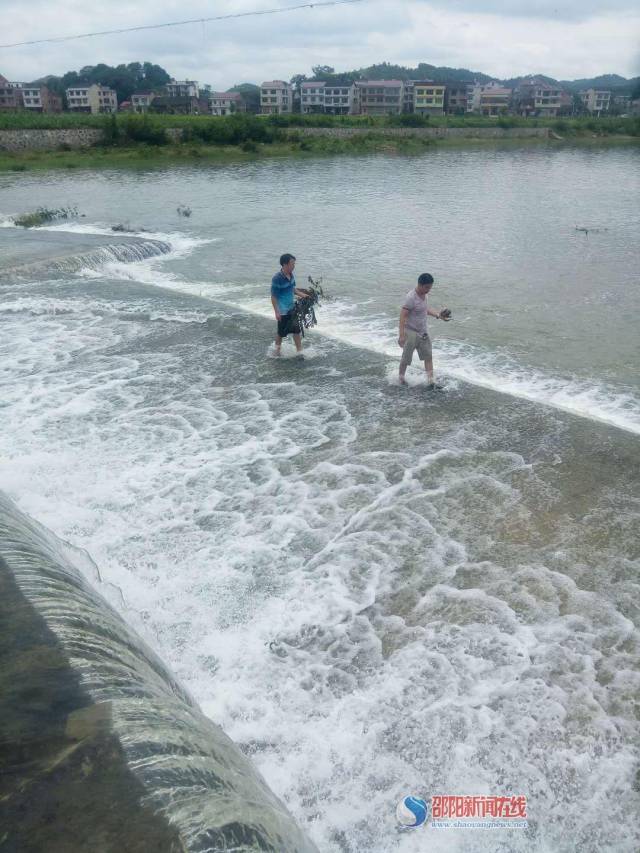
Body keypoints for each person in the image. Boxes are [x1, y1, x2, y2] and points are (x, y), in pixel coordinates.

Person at [398, 273, 450, 387]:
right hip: (410, 331)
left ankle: (431, 382)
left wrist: (438, 315)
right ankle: (401, 378)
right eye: (427, 287)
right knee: (406, 358)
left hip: (423, 331)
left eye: (430, 287)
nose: (428, 290)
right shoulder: (411, 297)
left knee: (428, 356)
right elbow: (402, 316)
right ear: (420, 284)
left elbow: (424, 309)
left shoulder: (425, 296)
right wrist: (401, 335)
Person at [270, 253, 312, 356]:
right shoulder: (277, 278)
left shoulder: (291, 275)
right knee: (281, 333)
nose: (294, 266)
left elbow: (293, 289)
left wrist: (304, 296)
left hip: (292, 309)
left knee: (296, 331)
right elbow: (273, 296)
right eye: (292, 264)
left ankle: (299, 351)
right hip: (283, 311)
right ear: (285, 264)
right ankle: (276, 352)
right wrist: (277, 312)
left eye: (294, 264)